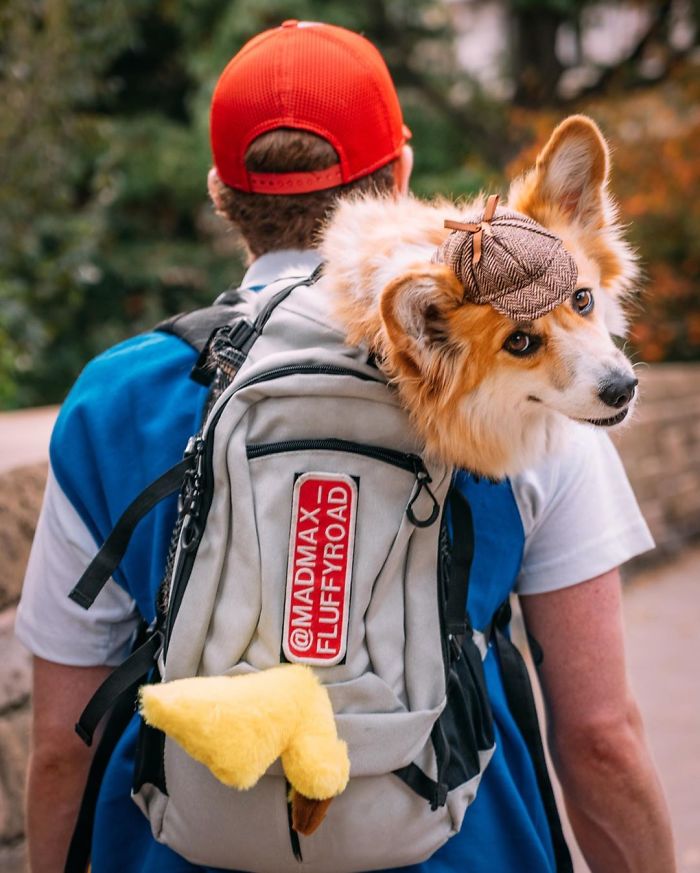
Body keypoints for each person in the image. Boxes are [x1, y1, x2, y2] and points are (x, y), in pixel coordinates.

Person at [16, 19, 675, 873]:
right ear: (399, 172)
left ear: (222, 193)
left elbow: (67, 741)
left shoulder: (112, 399)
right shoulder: (521, 384)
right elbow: (599, 739)